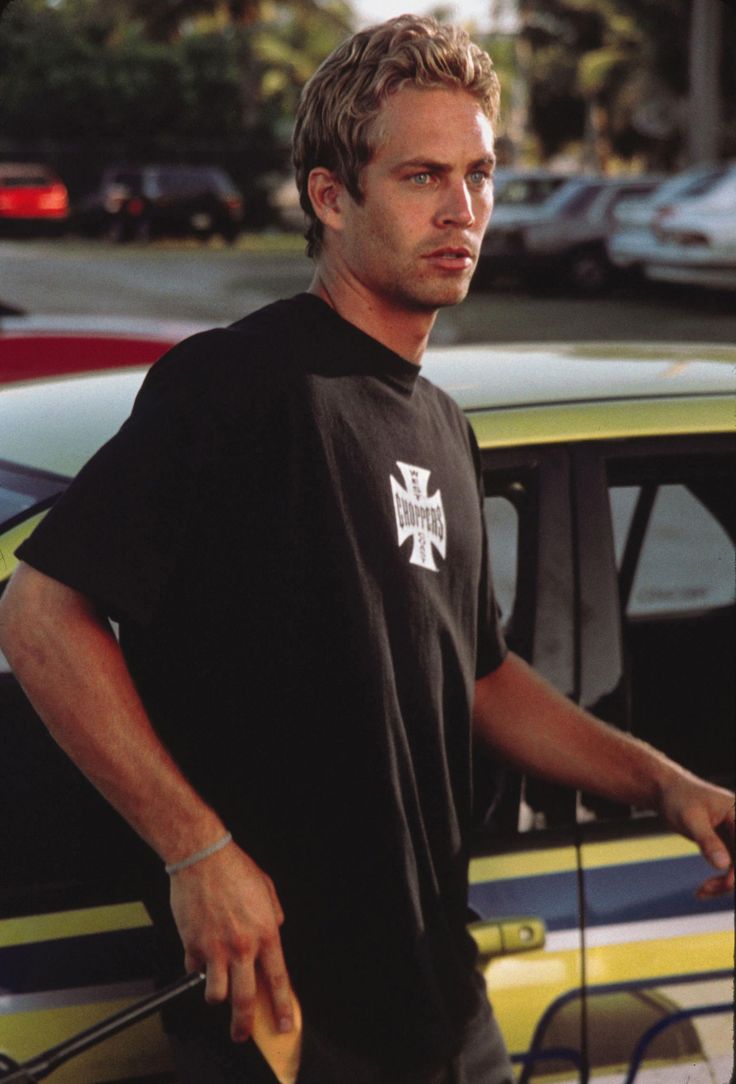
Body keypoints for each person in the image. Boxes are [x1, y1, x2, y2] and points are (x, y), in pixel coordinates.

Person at [0, 15, 733, 1084]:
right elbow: (40, 610)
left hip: (446, 1011)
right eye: (421, 176)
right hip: (285, 1022)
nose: (463, 210)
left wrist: (664, 782)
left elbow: (476, 678)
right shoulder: (242, 387)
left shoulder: (439, 423)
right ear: (330, 195)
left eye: (479, 173)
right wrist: (198, 852)